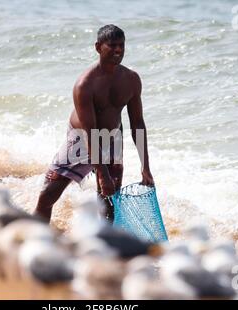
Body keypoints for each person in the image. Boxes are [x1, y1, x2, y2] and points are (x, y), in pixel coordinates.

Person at [34, 24, 154, 222]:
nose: (118, 50)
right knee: (48, 195)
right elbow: (90, 134)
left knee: (109, 203)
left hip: (112, 137)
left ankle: (104, 248)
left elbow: (137, 124)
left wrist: (145, 166)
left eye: (121, 45)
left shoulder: (131, 79)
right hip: (81, 139)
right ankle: (37, 240)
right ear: (98, 47)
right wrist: (102, 174)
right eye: (112, 45)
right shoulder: (85, 84)